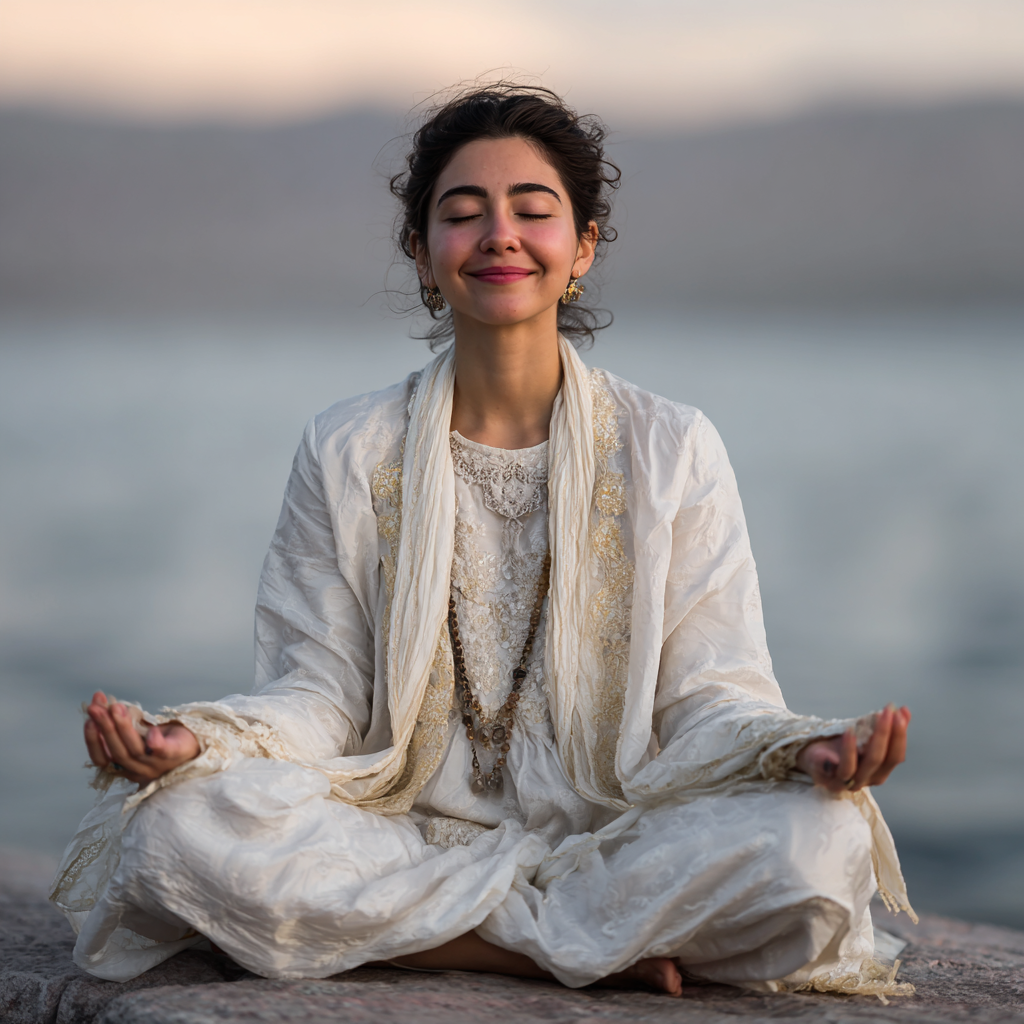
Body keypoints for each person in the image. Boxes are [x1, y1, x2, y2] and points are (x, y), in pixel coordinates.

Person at [53, 84, 914, 999]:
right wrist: (199, 744)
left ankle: (431, 933)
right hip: (395, 830)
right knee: (177, 825)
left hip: (618, 837)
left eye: (533, 211)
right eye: (462, 215)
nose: (499, 234)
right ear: (423, 256)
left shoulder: (670, 446)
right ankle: (561, 949)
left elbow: (711, 691)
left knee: (822, 840)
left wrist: (801, 751)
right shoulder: (348, 448)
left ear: (582, 246)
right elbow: (320, 694)